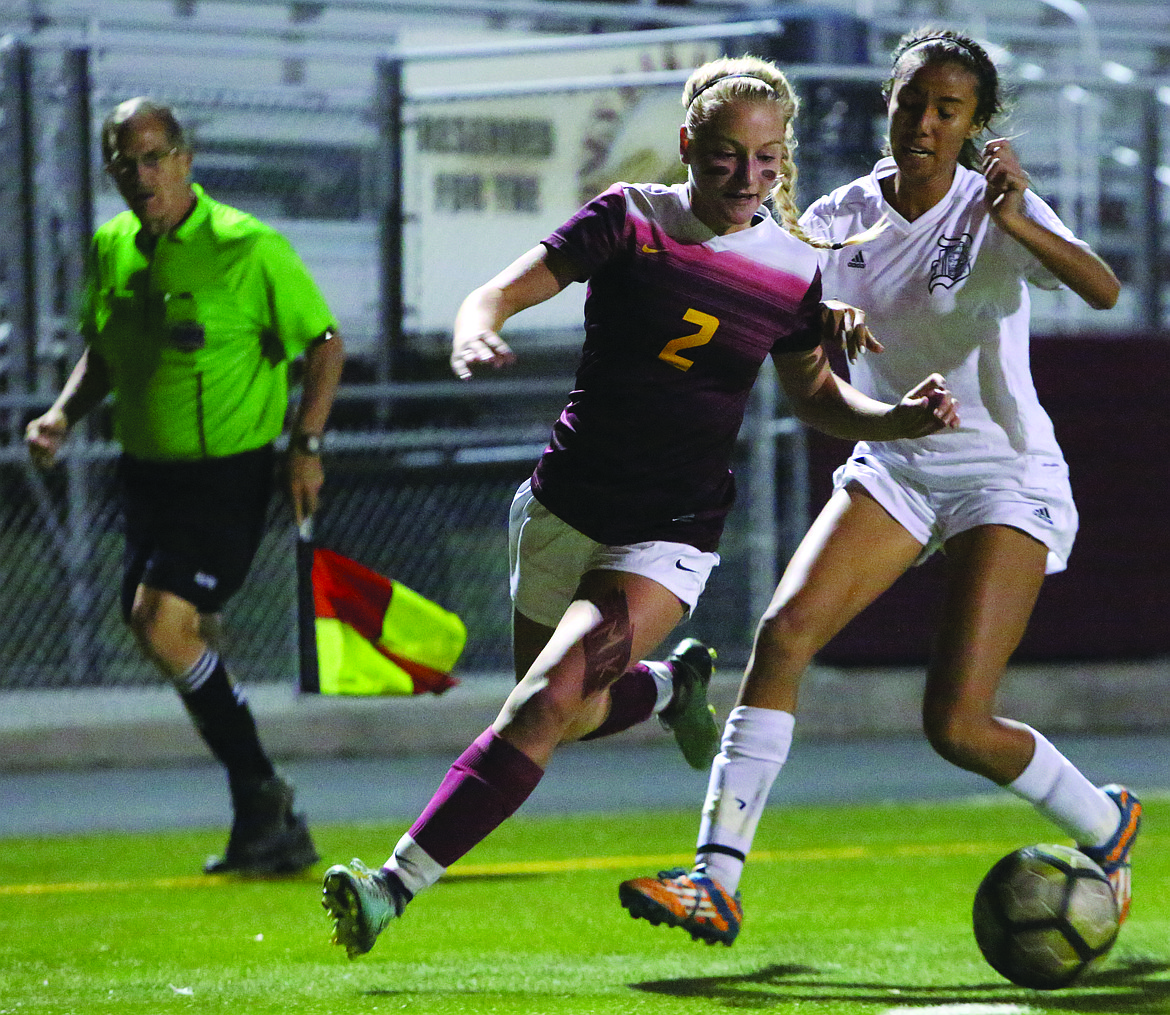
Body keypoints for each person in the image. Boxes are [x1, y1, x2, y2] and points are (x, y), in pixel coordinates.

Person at [320, 54, 959, 959]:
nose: (748, 177)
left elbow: (815, 397)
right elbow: (499, 290)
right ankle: (668, 686)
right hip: (563, 500)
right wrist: (477, 328)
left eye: (769, 159)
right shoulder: (629, 219)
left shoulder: (793, 269)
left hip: (669, 528)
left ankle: (391, 885)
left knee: (542, 703)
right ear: (690, 144)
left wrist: (893, 417)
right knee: (562, 713)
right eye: (729, 155)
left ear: (786, 158)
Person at [618, 28, 1140, 948]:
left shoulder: (995, 207)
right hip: (897, 461)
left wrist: (1020, 222)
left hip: (1004, 476)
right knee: (781, 635)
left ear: (977, 124)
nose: (925, 124)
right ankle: (715, 877)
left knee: (957, 723)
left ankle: (1108, 824)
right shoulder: (835, 219)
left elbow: (1103, 289)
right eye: (913, 103)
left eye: (949, 110)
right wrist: (874, 405)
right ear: (886, 105)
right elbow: (813, 389)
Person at [25, 97, 345, 875]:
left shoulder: (246, 245)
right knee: (157, 630)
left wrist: (305, 444)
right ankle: (262, 813)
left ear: (185, 157)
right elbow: (106, 349)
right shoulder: (111, 247)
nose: (142, 176)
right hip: (147, 475)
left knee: (159, 620)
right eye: (125, 164)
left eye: (154, 157)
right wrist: (62, 415)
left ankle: (264, 794)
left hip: (225, 473)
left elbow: (325, 342)